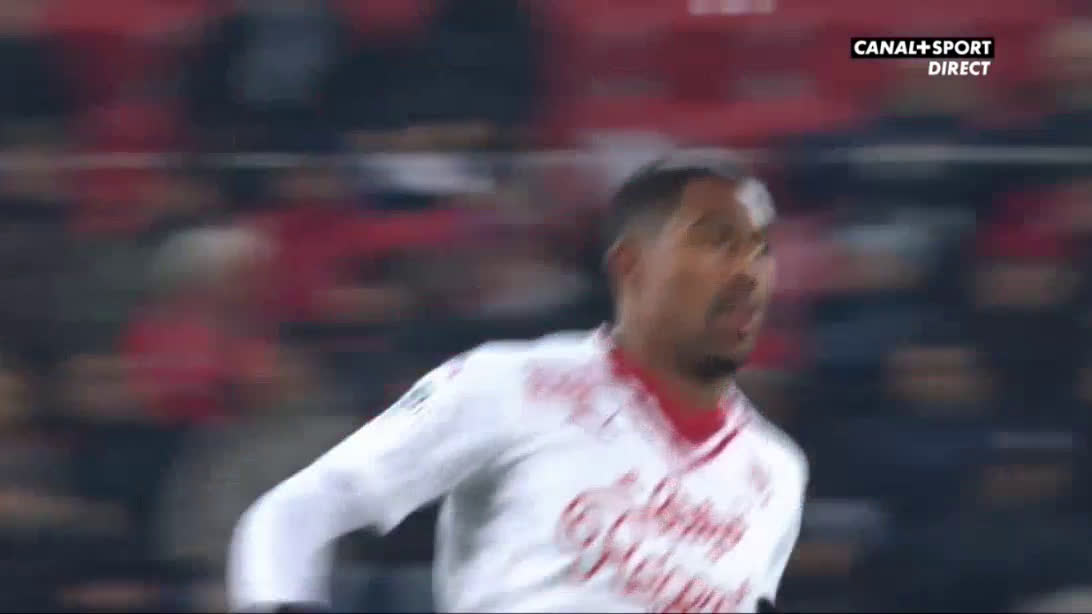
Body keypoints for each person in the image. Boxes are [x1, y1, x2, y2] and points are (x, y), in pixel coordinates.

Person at [227, 154, 808, 613]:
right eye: (715, 243)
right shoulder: (508, 385)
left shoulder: (777, 471)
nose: (747, 273)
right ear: (631, 265)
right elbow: (295, 513)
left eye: (760, 251)